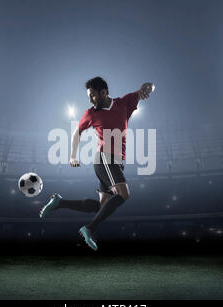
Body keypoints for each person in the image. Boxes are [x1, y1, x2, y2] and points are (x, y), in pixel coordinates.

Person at [40, 77, 154, 250]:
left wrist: (148, 88)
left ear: (104, 92)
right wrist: (72, 155)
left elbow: (143, 90)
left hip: (116, 161)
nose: (90, 99)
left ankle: (59, 202)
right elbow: (77, 133)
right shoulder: (90, 113)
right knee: (124, 194)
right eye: (89, 96)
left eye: (92, 95)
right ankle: (89, 228)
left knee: (102, 206)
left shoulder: (123, 104)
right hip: (105, 159)